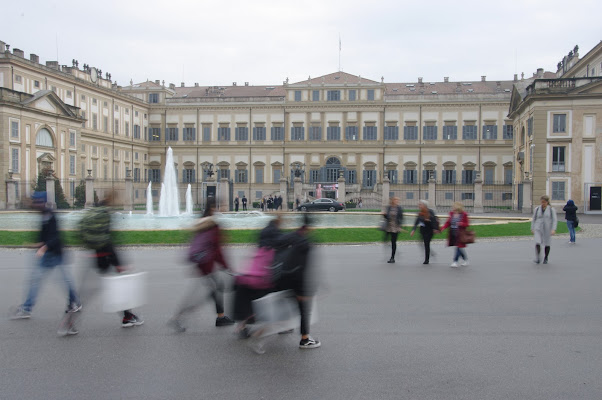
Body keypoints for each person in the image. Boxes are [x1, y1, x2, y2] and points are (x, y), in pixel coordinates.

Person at [10, 192, 81, 329]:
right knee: (37, 280)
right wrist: (38, 244)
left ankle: (75, 302)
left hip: (54, 254)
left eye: (37, 202)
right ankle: (27, 308)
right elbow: (46, 235)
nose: (35, 204)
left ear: (42, 202)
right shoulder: (43, 214)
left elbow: (56, 237)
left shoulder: (50, 215)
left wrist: (44, 247)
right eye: (34, 202)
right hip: (48, 254)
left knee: (64, 281)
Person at [76, 191, 144, 329]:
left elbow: (82, 230)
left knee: (88, 292)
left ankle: (70, 316)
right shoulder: (105, 215)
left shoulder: (93, 211)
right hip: (105, 257)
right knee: (118, 289)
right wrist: (118, 263)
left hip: (94, 254)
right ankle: (127, 317)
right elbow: (108, 241)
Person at [168, 198, 234, 332]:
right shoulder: (212, 224)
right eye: (220, 205)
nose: (223, 208)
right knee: (198, 296)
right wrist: (226, 266)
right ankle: (177, 318)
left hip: (202, 264)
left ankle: (220, 317)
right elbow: (217, 249)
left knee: (215, 288)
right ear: (213, 208)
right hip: (206, 265)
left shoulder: (203, 221)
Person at [439, 202, 470, 267]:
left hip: (460, 233)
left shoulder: (464, 214)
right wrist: (443, 228)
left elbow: (467, 224)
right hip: (453, 233)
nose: (452, 208)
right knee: (459, 247)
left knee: (458, 247)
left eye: (454, 207)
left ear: (458, 208)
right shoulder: (452, 214)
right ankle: (465, 260)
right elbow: (448, 223)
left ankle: (455, 261)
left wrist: (461, 223)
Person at [410, 200, 439, 264]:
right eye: (419, 204)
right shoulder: (420, 212)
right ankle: (430, 253)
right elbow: (416, 222)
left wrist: (435, 228)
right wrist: (413, 230)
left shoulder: (430, 211)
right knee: (422, 243)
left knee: (426, 244)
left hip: (429, 230)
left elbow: (434, 220)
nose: (419, 206)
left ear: (424, 205)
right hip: (423, 230)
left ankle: (427, 259)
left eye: (420, 204)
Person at [531, 195, 558, 264]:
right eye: (542, 202)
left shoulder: (551, 210)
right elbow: (534, 219)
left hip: (547, 228)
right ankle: (538, 258)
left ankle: (546, 257)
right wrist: (532, 228)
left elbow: (554, 220)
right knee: (537, 242)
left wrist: (553, 229)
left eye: (544, 202)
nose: (543, 204)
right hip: (538, 227)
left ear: (547, 202)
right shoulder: (537, 209)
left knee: (547, 243)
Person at [383, 197, 403, 263]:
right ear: (392, 201)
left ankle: (392, 257)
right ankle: (394, 251)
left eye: (397, 200)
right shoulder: (389, 207)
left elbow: (401, 217)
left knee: (393, 242)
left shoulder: (399, 208)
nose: (397, 201)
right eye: (395, 200)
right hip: (389, 226)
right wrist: (385, 215)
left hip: (395, 227)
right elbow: (387, 217)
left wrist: (400, 226)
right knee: (385, 240)